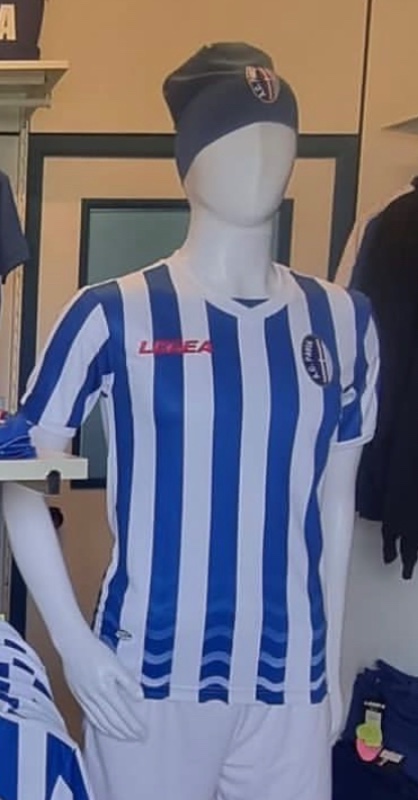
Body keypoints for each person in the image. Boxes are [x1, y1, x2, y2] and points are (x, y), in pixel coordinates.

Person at [2, 42, 379, 800]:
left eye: (278, 140)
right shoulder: (110, 313)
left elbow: (335, 500)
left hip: (293, 680)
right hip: (148, 670)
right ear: (191, 163)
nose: (261, 160)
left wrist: (333, 663)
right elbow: (18, 471)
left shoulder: (343, 320)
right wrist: (73, 644)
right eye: (236, 139)